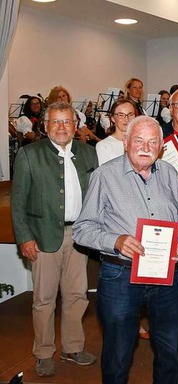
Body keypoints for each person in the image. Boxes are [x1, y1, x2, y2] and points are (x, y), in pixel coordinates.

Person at [73, 116, 178, 384]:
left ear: (161, 146)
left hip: (166, 276)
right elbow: (82, 229)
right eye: (138, 140)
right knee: (118, 352)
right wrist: (116, 240)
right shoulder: (105, 175)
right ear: (126, 142)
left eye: (152, 142)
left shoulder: (170, 174)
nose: (145, 147)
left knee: (170, 349)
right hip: (120, 276)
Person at [11, 101, 98, 377]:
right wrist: (25, 238)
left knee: (76, 295)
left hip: (80, 237)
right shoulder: (29, 155)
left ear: (76, 125)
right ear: (45, 125)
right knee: (44, 299)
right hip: (43, 236)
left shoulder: (88, 154)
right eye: (56, 122)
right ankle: (44, 353)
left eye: (67, 122)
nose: (62, 127)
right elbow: (18, 202)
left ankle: (73, 347)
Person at [95, 99, 136, 165]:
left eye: (130, 114)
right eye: (121, 115)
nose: (126, 119)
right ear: (113, 118)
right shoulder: (104, 146)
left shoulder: (140, 142)